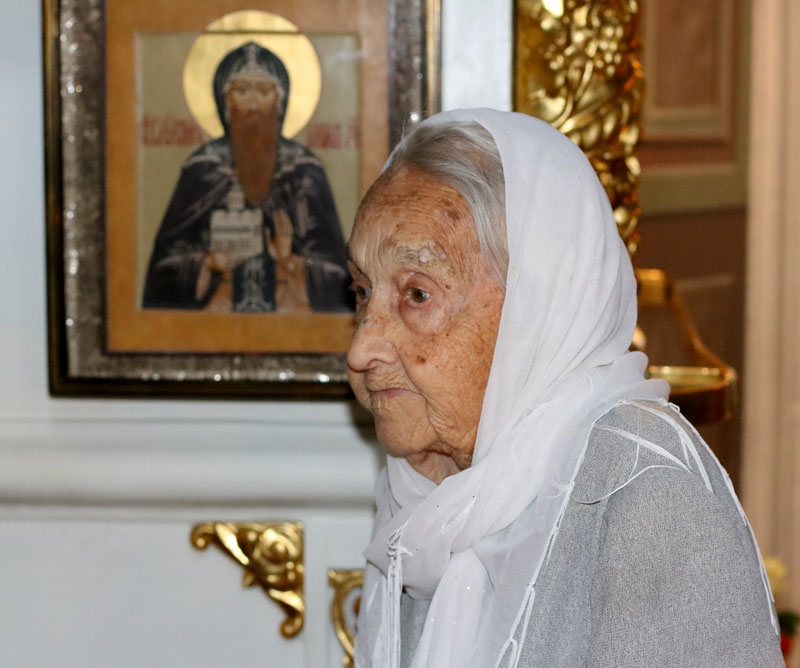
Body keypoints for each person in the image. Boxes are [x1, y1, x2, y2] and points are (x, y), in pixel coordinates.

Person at [346, 108, 783, 667]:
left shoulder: (643, 491)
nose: (362, 348)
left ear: (535, 305)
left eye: (417, 295)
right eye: (362, 291)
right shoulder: (424, 486)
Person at [142, 42, 350, 313]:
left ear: (279, 100)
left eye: (263, 91)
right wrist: (210, 263)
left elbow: (338, 278)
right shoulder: (203, 169)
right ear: (226, 101)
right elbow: (163, 273)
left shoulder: (303, 171)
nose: (252, 103)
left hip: (290, 319)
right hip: (213, 321)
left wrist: (289, 262)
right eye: (241, 91)